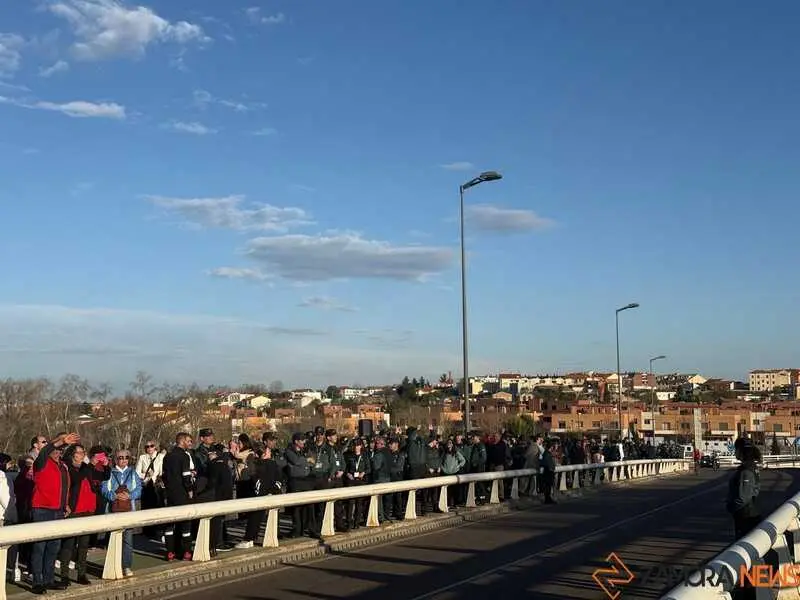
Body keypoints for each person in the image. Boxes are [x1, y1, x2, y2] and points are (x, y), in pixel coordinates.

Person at [30, 432, 78, 595]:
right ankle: (37, 581)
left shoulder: (63, 466)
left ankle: (49, 579)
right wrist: (58, 441)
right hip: (42, 509)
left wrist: (66, 505)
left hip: (58, 511)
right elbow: (45, 450)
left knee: (53, 547)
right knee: (40, 547)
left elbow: (65, 487)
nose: (59, 451)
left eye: (63, 448)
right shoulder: (42, 462)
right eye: (58, 447)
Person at [101, 449, 143, 578]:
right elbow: (104, 489)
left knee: (128, 540)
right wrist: (115, 496)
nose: (123, 460)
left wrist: (129, 496)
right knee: (113, 538)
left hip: (128, 510)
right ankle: (113, 564)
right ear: (115, 459)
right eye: (120, 457)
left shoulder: (133, 472)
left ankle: (126, 566)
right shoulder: (110, 472)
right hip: (113, 510)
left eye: (126, 457)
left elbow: (139, 489)